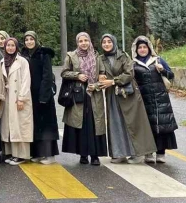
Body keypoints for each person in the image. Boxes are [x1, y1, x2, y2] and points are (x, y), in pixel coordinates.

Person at [97, 34, 157, 164]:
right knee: (115, 123)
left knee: (135, 123)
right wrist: (100, 78)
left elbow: (129, 73)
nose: (107, 44)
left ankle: (143, 153)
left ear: (114, 42)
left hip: (128, 93)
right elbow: (99, 73)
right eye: (104, 42)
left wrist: (113, 81)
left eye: (109, 42)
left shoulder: (123, 56)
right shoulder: (100, 59)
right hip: (112, 95)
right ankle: (120, 153)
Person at [61, 32, 107, 165]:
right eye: (81, 41)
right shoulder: (71, 56)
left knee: (94, 125)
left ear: (90, 41)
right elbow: (64, 72)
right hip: (78, 95)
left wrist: (96, 85)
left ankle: (95, 156)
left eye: (86, 40)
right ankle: (83, 155)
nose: (84, 43)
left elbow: (102, 74)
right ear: (77, 43)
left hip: (94, 95)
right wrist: (77, 75)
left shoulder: (97, 56)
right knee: (81, 125)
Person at [131, 36, 177, 163]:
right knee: (147, 126)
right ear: (136, 49)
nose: (142, 49)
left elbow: (171, 75)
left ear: (149, 48)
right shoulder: (133, 64)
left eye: (144, 47)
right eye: (139, 47)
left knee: (161, 125)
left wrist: (162, 70)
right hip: (143, 100)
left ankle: (161, 153)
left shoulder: (157, 60)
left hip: (160, 98)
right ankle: (149, 153)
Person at [20, 31, 60, 165]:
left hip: (44, 95)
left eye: (31, 39)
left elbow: (47, 75)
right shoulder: (24, 54)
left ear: (36, 40)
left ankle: (50, 155)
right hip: (30, 95)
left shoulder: (44, 54)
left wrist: (44, 96)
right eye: (27, 40)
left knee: (47, 125)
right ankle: (37, 153)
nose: (29, 42)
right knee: (35, 125)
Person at [0, 37, 33, 165]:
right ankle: (11, 153)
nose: (10, 48)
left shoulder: (22, 61)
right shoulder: (2, 61)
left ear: (16, 47)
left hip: (19, 97)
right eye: (8, 45)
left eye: (12, 45)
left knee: (21, 126)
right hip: (7, 97)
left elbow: (26, 80)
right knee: (9, 126)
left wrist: (21, 98)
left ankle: (22, 155)